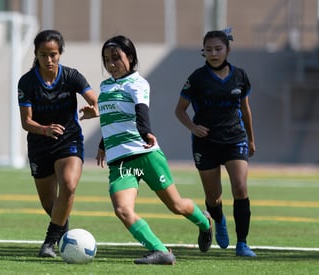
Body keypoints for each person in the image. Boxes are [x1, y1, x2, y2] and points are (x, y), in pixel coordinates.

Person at [95, 35, 212, 265]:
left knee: (176, 206)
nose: (111, 64)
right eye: (107, 59)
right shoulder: (105, 85)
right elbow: (112, 118)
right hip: (120, 162)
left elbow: (141, 110)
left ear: (129, 57)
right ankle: (160, 251)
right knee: (122, 210)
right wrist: (102, 144)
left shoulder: (138, 83)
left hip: (146, 154)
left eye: (116, 58)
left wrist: (146, 132)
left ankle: (205, 222)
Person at [174, 28, 257, 257]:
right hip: (206, 142)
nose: (214, 53)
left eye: (218, 49)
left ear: (228, 50)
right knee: (214, 196)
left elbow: (245, 109)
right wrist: (193, 127)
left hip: (234, 139)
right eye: (209, 49)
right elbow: (179, 110)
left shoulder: (240, 75)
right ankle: (218, 219)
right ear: (204, 52)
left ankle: (242, 244)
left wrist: (251, 138)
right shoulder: (197, 78)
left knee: (240, 188)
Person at [17, 29, 99, 258]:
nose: (49, 59)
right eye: (43, 54)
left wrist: (94, 110)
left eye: (53, 54)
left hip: (68, 139)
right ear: (36, 54)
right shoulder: (27, 82)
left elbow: (94, 100)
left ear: (60, 53)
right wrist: (44, 129)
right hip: (39, 144)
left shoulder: (71, 76)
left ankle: (48, 244)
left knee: (69, 185)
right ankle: (64, 231)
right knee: (49, 204)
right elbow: (26, 122)